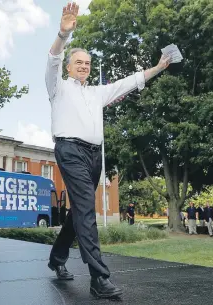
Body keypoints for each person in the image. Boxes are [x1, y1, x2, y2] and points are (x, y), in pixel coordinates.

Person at [45, 2, 171, 299]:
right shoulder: (57, 87)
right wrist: (63, 34)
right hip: (70, 151)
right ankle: (99, 278)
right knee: (87, 210)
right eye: (79, 63)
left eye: (88, 64)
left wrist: (158, 68)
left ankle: (56, 259)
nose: (84, 67)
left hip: (93, 156)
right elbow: (52, 59)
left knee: (79, 211)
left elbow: (130, 83)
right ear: (68, 66)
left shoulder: (97, 92)